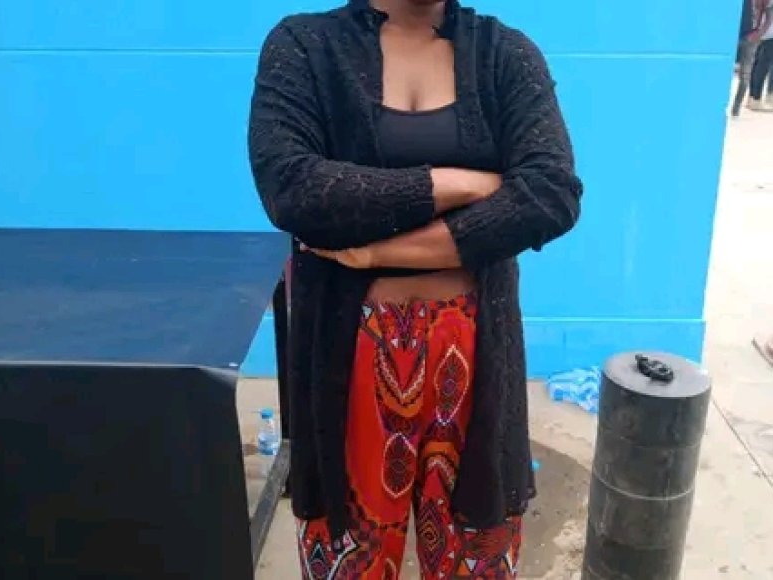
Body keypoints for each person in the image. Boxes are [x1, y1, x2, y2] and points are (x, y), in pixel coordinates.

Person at [247, 1, 583, 577]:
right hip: (349, 350)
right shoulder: (304, 47)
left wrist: (377, 253)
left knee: (474, 556)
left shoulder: (505, 54)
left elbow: (550, 194)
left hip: (474, 350)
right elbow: (296, 190)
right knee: (349, 557)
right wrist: (463, 184)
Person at [733, 0, 773, 116]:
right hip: (733, 34)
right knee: (724, 71)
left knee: (745, 75)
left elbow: (769, 17)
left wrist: (759, 34)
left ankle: (736, 107)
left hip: (750, 37)